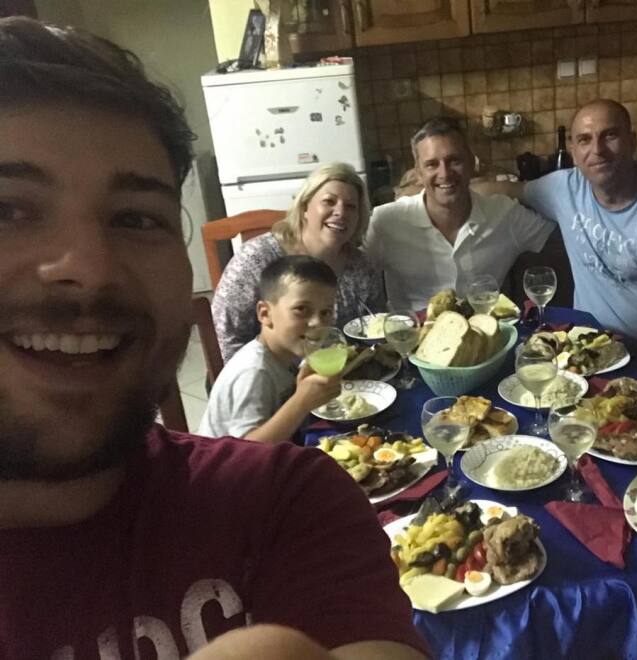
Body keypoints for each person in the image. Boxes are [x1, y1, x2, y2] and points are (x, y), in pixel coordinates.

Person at [0, 17, 427, 659]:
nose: (86, 267)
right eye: (8, 209)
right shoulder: (259, 301)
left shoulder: (289, 499)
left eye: (136, 218)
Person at [364, 116, 555, 311]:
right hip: (412, 338)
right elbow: (352, 273)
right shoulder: (386, 221)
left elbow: (565, 238)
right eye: (432, 164)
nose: (445, 173)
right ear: (419, 173)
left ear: (472, 164)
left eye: (454, 161)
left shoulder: (504, 215)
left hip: (487, 336)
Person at [212, 162, 384, 362]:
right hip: (268, 379)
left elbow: (375, 326)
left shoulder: (360, 265)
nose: (341, 212)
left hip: (341, 373)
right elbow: (228, 336)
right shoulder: (256, 258)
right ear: (304, 208)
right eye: (329, 201)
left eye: (351, 206)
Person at [522, 99, 637, 342]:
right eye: (584, 140)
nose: (597, 150)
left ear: (632, 141)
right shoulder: (564, 188)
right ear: (574, 152)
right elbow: (509, 189)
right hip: (585, 342)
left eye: (609, 135)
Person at [198, 256, 342, 443]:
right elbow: (248, 450)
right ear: (265, 314)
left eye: (326, 312)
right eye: (301, 309)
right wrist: (301, 402)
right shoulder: (254, 372)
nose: (317, 322)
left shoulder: (287, 354)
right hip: (227, 469)